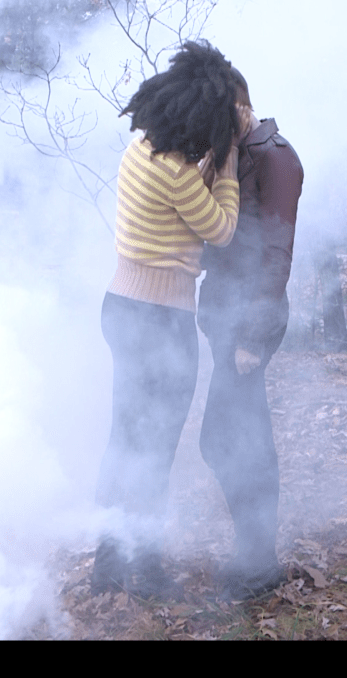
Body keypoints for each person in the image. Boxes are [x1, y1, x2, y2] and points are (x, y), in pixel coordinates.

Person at [91, 41, 242, 599]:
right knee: (155, 448)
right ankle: (148, 571)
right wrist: (225, 160)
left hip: (122, 303)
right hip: (162, 316)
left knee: (122, 440)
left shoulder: (141, 147)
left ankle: (107, 563)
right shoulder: (181, 175)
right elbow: (222, 227)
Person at [197, 67, 304, 600]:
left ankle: (259, 562)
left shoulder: (277, 157)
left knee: (235, 438)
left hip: (251, 325)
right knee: (231, 436)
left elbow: (277, 254)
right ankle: (254, 555)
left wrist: (252, 339)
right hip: (226, 318)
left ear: (241, 109)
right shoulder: (240, 156)